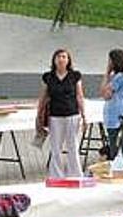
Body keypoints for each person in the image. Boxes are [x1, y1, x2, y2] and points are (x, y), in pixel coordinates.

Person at [37, 49, 86, 178]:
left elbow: (79, 96)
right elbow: (43, 97)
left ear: (68, 60)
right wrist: (39, 114)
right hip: (55, 115)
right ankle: (56, 175)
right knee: (56, 147)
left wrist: (84, 115)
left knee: (73, 146)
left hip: (72, 114)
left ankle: (75, 173)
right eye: (58, 56)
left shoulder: (75, 76)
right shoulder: (48, 77)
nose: (61, 59)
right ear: (54, 60)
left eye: (64, 57)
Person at [99, 49, 123, 160]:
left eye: (110, 61)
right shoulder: (122, 76)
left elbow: (105, 94)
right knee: (116, 145)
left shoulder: (120, 77)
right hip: (117, 116)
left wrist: (106, 73)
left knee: (115, 148)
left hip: (116, 119)